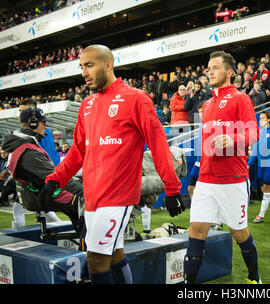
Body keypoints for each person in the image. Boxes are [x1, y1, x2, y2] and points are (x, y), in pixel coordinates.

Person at [39, 45, 183, 284]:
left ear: (108, 64)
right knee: (115, 256)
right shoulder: (87, 105)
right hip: (92, 195)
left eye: (89, 65)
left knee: (95, 261)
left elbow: (158, 146)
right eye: (82, 66)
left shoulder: (136, 98)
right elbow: (77, 151)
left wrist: (172, 188)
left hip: (118, 196)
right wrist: (55, 180)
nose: (84, 72)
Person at [184, 50, 261, 284]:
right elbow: (205, 145)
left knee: (239, 233)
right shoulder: (206, 105)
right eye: (208, 67)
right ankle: (189, 285)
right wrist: (196, 175)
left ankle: (254, 278)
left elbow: (253, 132)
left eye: (215, 67)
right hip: (207, 180)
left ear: (229, 73)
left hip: (233, 179)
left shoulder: (240, 98)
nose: (209, 71)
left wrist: (234, 139)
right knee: (196, 230)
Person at [1, 108, 84, 238]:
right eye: (43, 122)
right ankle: (89, 244)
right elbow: (55, 178)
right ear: (33, 124)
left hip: (37, 193)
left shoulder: (19, 144)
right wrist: (82, 186)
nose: (46, 126)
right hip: (44, 195)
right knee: (86, 196)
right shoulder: (28, 151)